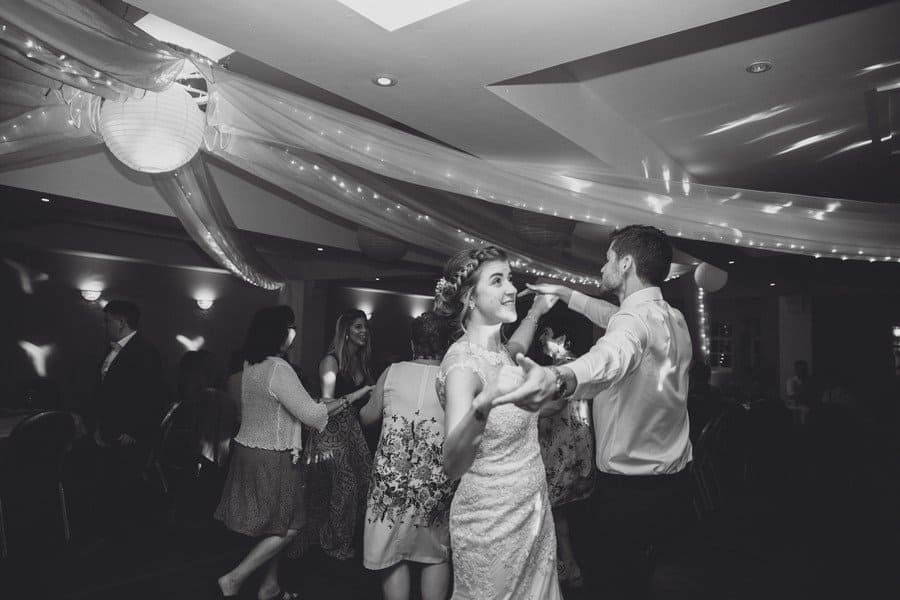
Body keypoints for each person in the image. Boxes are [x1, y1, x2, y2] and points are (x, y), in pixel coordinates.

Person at [501, 225, 694, 599]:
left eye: (608, 260)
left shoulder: (632, 323)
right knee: (639, 581)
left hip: (630, 494)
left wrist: (559, 376)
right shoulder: (671, 316)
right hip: (672, 483)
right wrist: (566, 294)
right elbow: (613, 317)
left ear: (626, 264)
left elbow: (609, 358)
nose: (602, 268)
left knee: (611, 585)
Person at [435, 245, 561, 599]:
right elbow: (451, 465)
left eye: (510, 278)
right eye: (497, 281)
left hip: (533, 512)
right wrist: (485, 402)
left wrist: (537, 310)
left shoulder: (500, 352)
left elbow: (516, 346)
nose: (511, 289)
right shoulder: (462, 367)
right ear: (470, 298)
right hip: (492, 525)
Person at [214, 306, 346, 600]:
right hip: (274, 456)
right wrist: (343, 402)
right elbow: (311, 416)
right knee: (291, 527)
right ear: (278, 333)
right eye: (290, 327)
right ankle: (234, 579)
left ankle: (269, 587)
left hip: (249, 452)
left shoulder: (252, 364)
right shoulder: (279, 368)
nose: (294, 333)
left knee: (274, 525)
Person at [360, 312, 456, 600]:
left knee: (392, 549)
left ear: (413, 343)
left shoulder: (393, 372)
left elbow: (368, 417)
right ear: (446, 344)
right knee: (436, 550)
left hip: (393, 478)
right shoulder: (454, 378)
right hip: (436, 477)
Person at [301, 309, 375, 560]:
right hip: (330, 431)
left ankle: (343, 538)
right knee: (343, 485)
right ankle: (332, 544)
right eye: (358, 327)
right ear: (345, 332)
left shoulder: (360, 363)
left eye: (365, 327)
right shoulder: (331, 362)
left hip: (351, 430)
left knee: (364, 481)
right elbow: (325, 405)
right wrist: (357, 395)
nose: (364, 332)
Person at [92, 300, 165, 532]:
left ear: (122, 322)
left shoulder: (145, 351)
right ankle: (113, 532)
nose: (104, 325)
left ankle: (127, 537)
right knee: (112, 485)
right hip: (111, 430)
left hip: (128, 435)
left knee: (125, 488)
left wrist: (134, 431)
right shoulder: (114, 350)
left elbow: (152, 396)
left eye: (107, 321)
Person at [532, 325, 594, 590]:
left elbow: (551, 408)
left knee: (552, 515)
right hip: (574, 450)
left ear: (562, 341)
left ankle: (562, 569)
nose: (544, 342)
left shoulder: (558, 372)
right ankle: (568, 569)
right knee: (560, 516)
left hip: (560, 451)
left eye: (549, 337)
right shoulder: (580, 368)